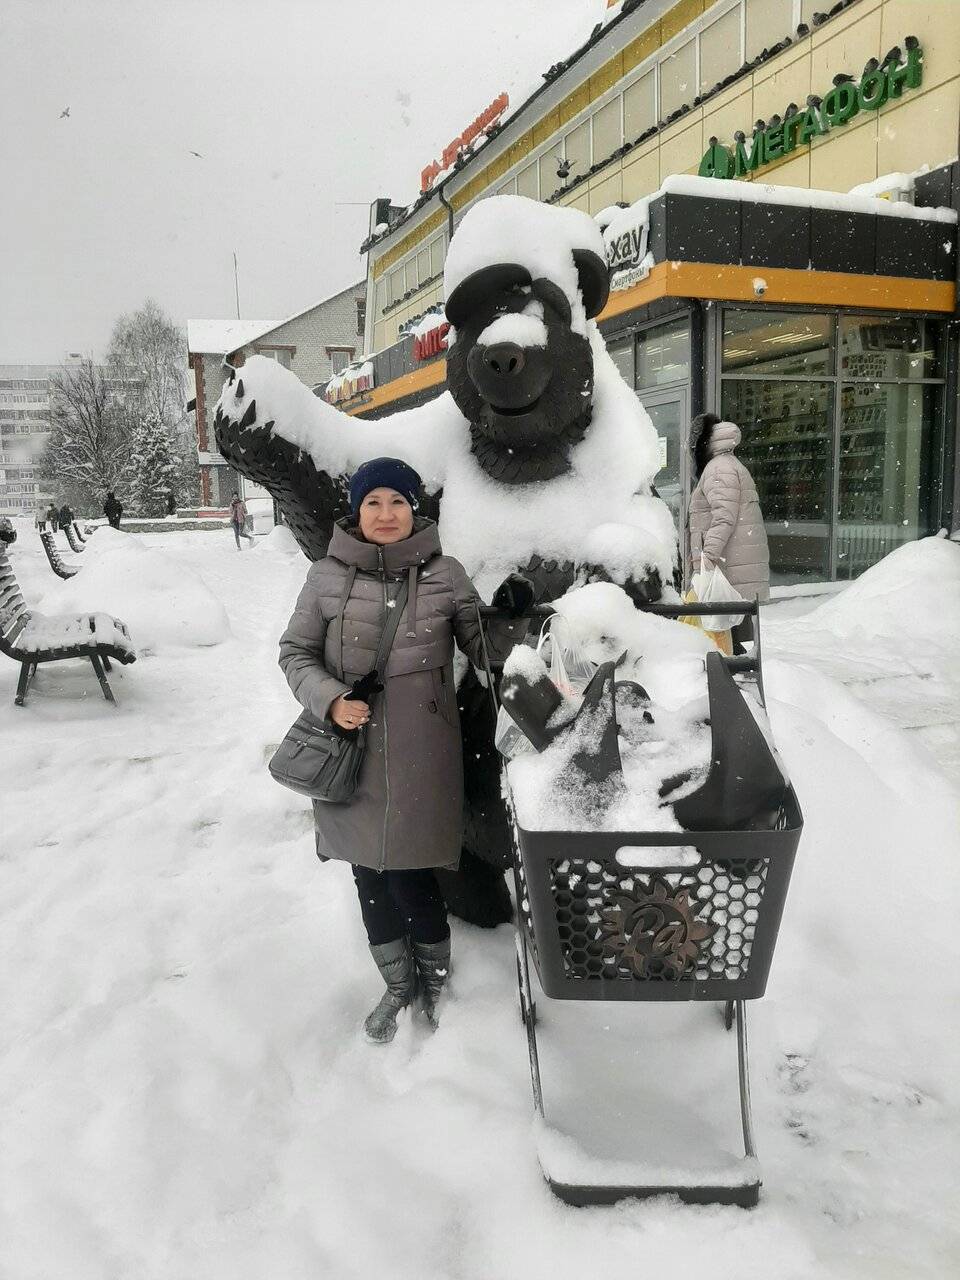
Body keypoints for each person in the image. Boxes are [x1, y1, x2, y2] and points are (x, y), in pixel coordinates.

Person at [278, 457, 531, 1044]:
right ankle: (397, 983)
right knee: (369, 878)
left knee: (414, 879)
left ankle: (435, 978)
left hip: (424, 759)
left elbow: (486, 651)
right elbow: (295, 652)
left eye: (398, 502)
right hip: (353, 756)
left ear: (414, 509)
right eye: (374, 503)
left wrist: (509, 616)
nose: (386, 514)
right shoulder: (325, 577)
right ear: (357, 511)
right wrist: (332, 700)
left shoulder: (446, 575)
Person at [687, 413, 770, 651]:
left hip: (726, 567)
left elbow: (724, 517)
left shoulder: (718, 469)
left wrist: (705, 559)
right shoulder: (727, 464)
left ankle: (727, 678)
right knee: (723, 635)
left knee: (717, 635)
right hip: (733, 565)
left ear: (700, 445)